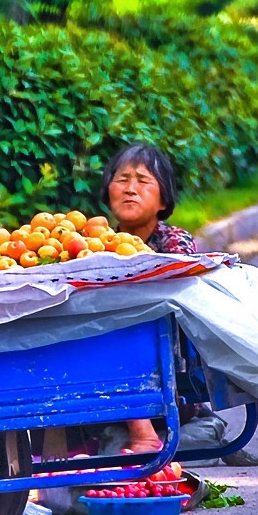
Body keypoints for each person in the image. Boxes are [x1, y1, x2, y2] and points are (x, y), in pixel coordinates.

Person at [99, 142, 197, 454]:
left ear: (163, 199)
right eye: (122, 179)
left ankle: (143, 433)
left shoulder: (174, 243)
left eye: (142, 181)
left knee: (127, 321)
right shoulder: (94, 242)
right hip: (106, 367)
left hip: (166, 363)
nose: (130, 189)